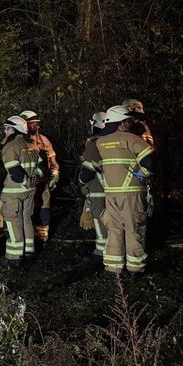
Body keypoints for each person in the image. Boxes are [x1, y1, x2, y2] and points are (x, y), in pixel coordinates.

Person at [79, 105, 154, 275]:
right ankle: (135, 269)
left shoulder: (100, 142)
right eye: (128, 121)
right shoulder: (131, 139)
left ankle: (113, 268)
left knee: (114, 230)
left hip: (111, 194)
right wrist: (142, 175)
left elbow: (89, 169)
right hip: (132, 193)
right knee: (133, 229)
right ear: (121, 123)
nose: (130, 123)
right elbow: (149, 158)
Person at [0, 115, 43, 265]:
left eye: (8, 128)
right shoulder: (32, 145)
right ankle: (29, 251)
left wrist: (25, 182)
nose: (5, 130)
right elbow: (43, 166)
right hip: (30, 192)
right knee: (26, 219)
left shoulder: (11, 147)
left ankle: (14, 257)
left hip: (14, 193)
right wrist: (33, 180)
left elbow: (15, 172)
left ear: (15, 130)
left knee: (13, 222)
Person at [20, 110, 58, 244]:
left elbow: (53, 162)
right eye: (32, 124)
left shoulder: (43, 141)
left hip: (42, 182)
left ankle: (42, 237)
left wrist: (54, 177)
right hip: (25, 183)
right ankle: (28, 238)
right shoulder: (19, 142)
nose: (36, 127)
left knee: (44, 205)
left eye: (37, 123)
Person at [79, 111, 108, 264]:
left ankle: (100, 253)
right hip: (116, 188)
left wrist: (82, 181)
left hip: (98, 188)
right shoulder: (114, 140)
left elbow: (87, 171)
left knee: (99, 218)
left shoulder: (94, 142)